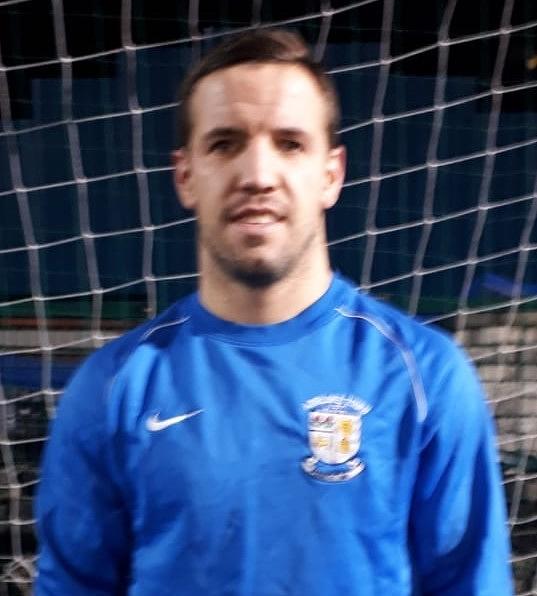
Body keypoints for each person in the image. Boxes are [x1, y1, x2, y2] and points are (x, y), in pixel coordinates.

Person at [35, 29, 513, 595]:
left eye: (289, 144)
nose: (258, 176)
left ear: (331, 174)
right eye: (225, 144)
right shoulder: (114, 388)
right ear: (185, 177)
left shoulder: (424, 376)